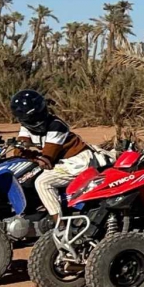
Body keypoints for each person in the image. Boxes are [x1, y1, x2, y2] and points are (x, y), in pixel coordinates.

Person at [11, 90, 99, 220]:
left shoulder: (57, 126)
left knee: (42, 182)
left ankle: (59, 223)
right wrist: (21, 148)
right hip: (60, 162)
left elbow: (47, 159)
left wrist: (31, 156)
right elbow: (20, 149)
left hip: (75, 162)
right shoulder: (27, 126)